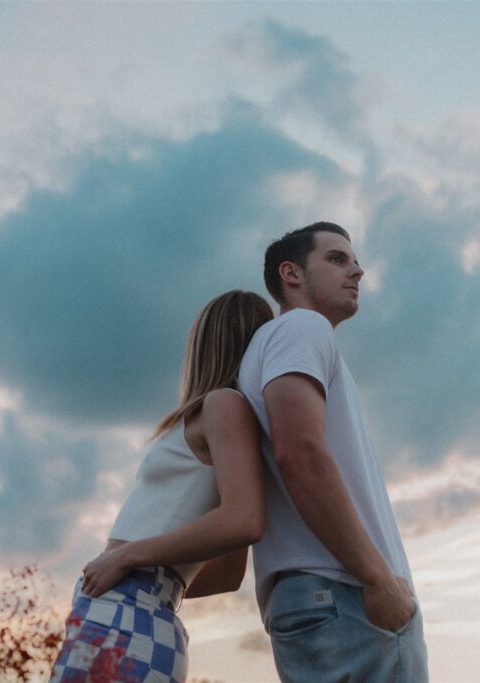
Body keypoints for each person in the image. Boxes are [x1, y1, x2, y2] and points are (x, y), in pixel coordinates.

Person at [49, 290, 273, 683]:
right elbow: (226, 574)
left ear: (208, 341)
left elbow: (245, 520)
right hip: (137, 607)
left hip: (130, 612)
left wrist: (127, 559)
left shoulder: (224, 404)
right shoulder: (220, 415)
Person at [238, 222, 428, 682]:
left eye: (356, 261)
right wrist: (377, 578)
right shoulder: (302, 327)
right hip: (345, 591)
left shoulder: (278, 342)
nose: (358, 271)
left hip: (324, 595)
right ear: (292, 274)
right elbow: (299, 452)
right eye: (337, 259)